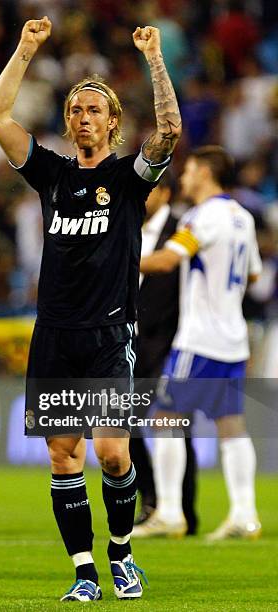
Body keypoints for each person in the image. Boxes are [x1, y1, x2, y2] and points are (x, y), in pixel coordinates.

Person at [0, 17, 181, 601]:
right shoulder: (51, 175)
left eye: (94, 110)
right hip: (55, 334)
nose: (83, 117)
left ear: (113, 123)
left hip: (108, 332)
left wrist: (153, 58)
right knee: (63, 456)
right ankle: (85, 573)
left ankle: (122, 554)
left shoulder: (127, 178)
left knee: (113, 451)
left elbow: (168, 131)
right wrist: (24, 49)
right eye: (75, 110)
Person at [135, 145, 262, 540]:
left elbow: (166, 261)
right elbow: (253, 275)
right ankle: (244, 513)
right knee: (232, 427)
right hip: (233, 339)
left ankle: (170, 511)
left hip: (199, 340)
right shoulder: (242, 218)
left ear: (205, 174)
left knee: (165, 419)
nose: (185, 179)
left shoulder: (201, 217)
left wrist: (112, 257)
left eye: (189, 172)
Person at [131, 174, 198, 534]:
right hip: (132, 345)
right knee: (125, 425)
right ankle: (152, 500)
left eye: (151, 188)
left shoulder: (183, 228)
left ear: (167, 192)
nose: (143, 195)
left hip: (170, 343)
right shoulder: (128, 225)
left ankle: (184, 510)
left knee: (173, 426)